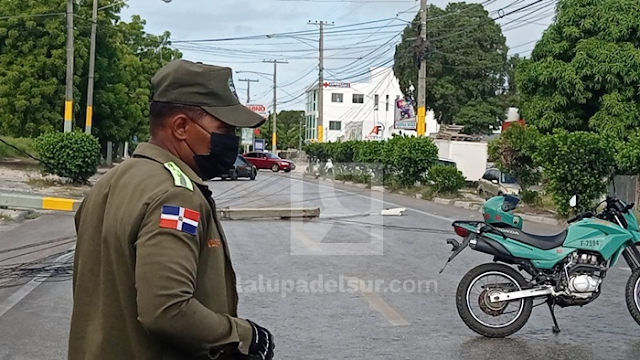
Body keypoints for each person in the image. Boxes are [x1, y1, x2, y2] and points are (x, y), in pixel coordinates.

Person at [68, 59, 275, 360]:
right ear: (180, 127)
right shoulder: (175, 195)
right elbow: (167, 310)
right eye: (225, 129)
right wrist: (243, 336)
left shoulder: (110, 182)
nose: (232, 141)